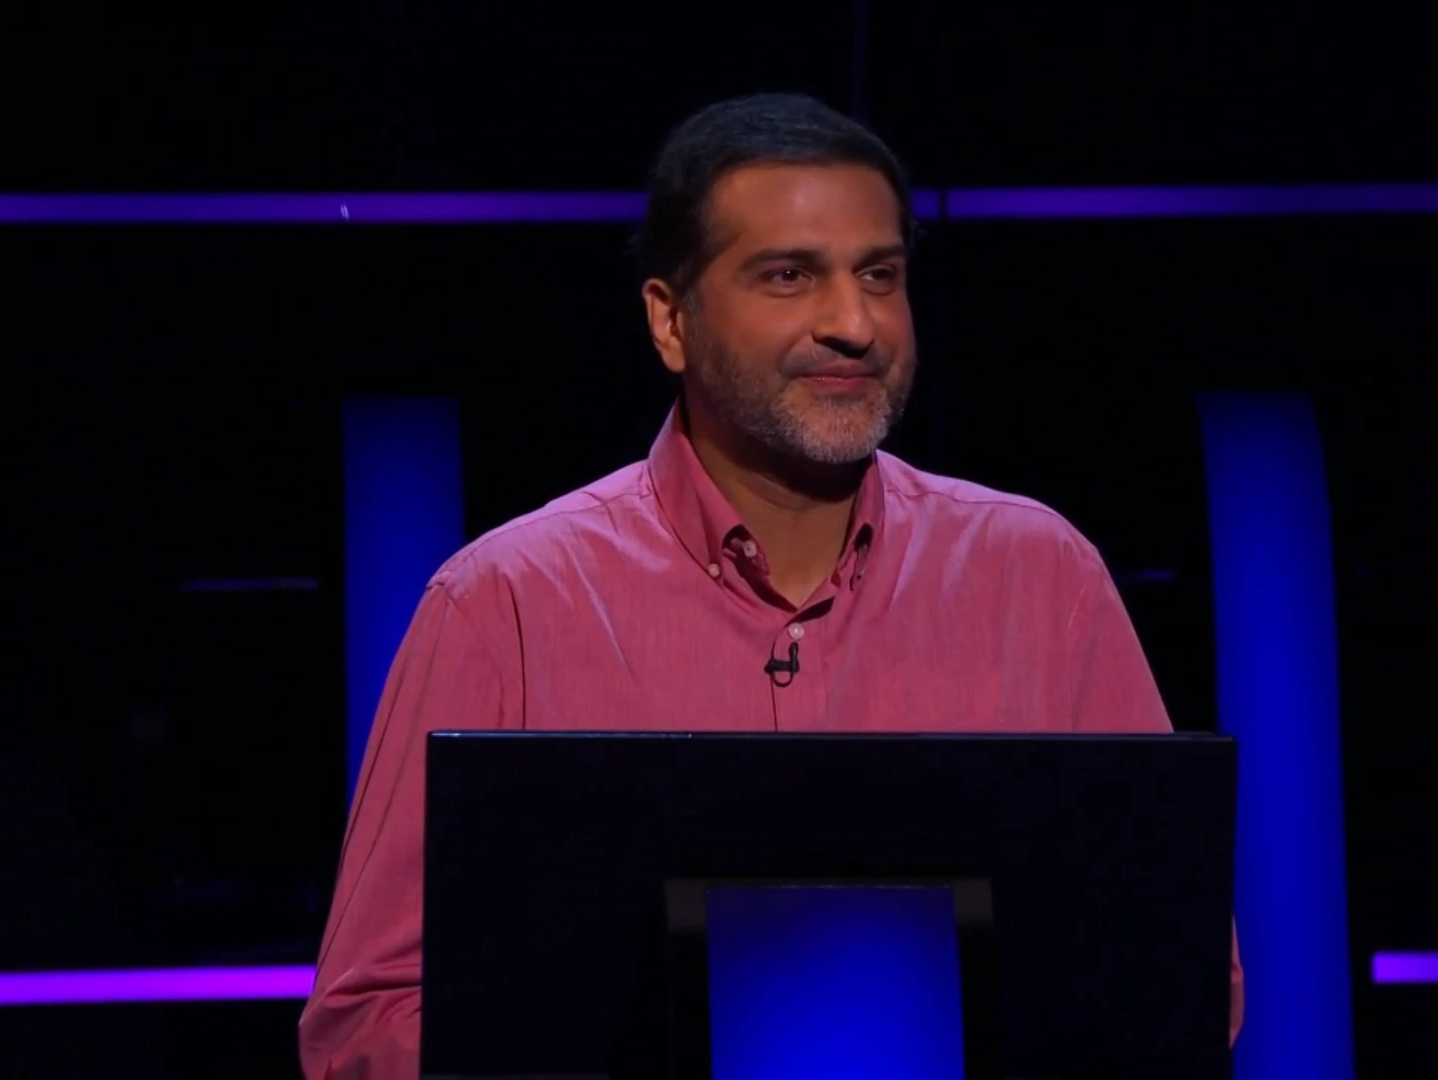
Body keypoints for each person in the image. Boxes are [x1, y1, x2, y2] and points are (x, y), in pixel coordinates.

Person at [299, 92, 1243, 1078]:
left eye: (879, 275)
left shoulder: (1040, 579)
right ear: (670, 320)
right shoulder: (506, 604)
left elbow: (1181, 981)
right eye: (789, 276)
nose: (854, 324)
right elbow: (367, 1022)